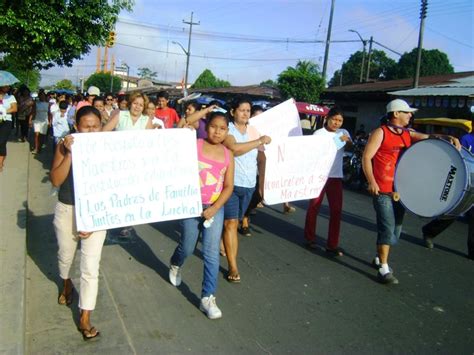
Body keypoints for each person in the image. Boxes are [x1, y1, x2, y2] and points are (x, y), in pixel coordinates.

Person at [362, 99, 460, 285]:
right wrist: (371, 181)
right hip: (382, 190)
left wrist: (447, 138)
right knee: (387, 226)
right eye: (407, 112)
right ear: (396, 113)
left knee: (396, 231)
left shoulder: (407, 133)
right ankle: (383, 268)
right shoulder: (380, 132)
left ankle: (378, 257)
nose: (410, 115)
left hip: (400, 191)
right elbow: (367, 157)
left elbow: (427, 137)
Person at [169, 111, 234, 319]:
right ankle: (176, 263)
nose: (217, 131)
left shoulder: (227, 154)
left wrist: (215, 208)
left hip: (215, 208)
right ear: (207, 126)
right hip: (190, 205)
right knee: (187, 246)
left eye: (222, 128)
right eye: (214, 126)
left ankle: (208, 297)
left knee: (211, 253)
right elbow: (174, 138)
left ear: (227, 131)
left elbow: (229, 186)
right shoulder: (194, 145)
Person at [50, 106, 105, 340]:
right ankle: (66, 283)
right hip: (68, 208)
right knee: (65, 256)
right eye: (86, 126)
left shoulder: (107, 148)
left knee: (90, 268)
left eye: (95, 126)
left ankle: (85, 317)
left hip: (96, 213)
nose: (91, 130)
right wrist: (71, 154)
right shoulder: (64, 144)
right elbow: (55, 179)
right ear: (76, 126)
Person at [222, 97, 271, 282]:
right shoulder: (228, 129)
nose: (245, 113)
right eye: (242, 110)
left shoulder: (253, 130)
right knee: (232, 224)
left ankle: (222, 241)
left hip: (249, 185)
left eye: (248, 111)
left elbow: (261, 157)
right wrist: (258, 141)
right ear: (233, 111)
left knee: (232, 224)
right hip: (231, 185)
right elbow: (234, 149)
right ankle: (233, 266)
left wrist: (262, 183)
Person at [421, 121, 473, 259]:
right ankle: (429, 231)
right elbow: (459, 157)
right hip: (464, 182)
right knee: (454, 213)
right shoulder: (466, 139)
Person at [304, 107, 352, 256]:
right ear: (327, 118)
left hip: (336, 176)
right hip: (320, 176)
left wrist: (347, 141)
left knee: (336, 211)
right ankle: (309, 238)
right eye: (334, 119)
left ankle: (332, 244)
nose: (337, 123)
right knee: (314, 207)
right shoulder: (319, 133)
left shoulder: (343, 132)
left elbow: (350, 146)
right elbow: (317, 152)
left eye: (340, 120)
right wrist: (338, 142)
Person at [0, 85, 18, 172]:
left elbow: (14, 108)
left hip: (6, 121)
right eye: (5, 86)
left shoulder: (10, 97)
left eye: (8, 86)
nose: (7, 87)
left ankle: (0, 163)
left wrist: (3, 111)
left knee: (1, 142)